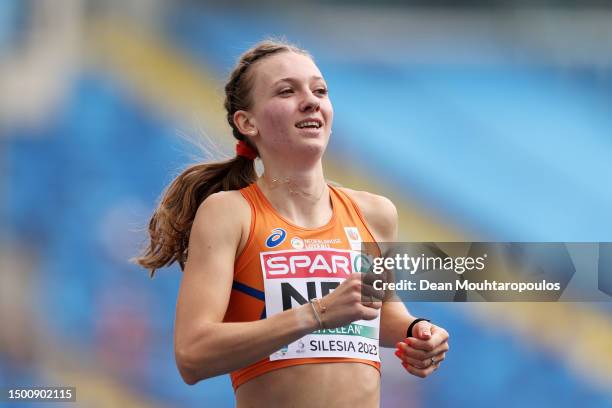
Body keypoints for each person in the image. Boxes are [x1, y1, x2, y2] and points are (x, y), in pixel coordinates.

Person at [135, 39, 450, 407]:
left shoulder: (376, 214)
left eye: (320, 90)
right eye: (287, 91)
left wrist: (416, 331)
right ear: (246, 122)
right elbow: (192, 355)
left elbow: (378, 308)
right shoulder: (229, 213)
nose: (311, 100)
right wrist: (316, 313)